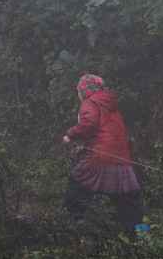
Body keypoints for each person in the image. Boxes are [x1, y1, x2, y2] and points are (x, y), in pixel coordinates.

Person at [61, 74, 147, 238]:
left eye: (79, 91)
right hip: (121, 160)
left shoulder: (90, 103)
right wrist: (85, 146)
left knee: (77, 182)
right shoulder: (110, 105)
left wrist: (70, 135)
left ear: (85, 91)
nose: (78, 94)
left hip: (100, 159)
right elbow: (104, 132)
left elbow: (89, 122)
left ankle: (71, 224)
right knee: (128, 202)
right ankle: (142, 238)